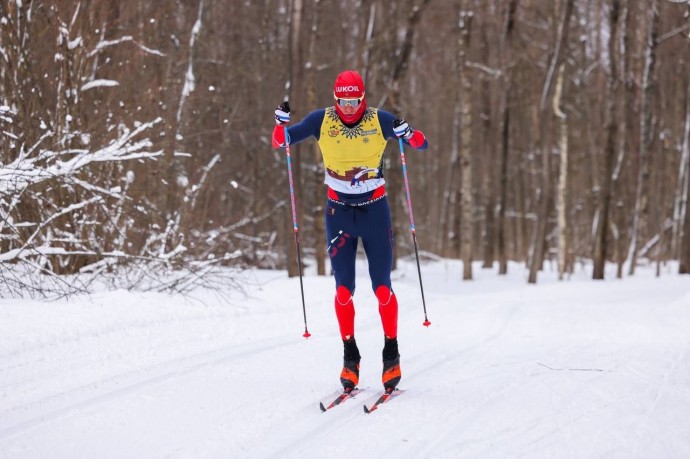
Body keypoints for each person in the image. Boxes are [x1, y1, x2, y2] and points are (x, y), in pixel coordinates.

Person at [272, 70, 428, 393]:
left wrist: (408, 131)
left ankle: (391, 352)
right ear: (335, 98)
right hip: (338, 212)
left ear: (363, 98)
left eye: (353, 100)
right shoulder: (322, 120)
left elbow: (421, 144)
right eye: (341, 100)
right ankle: (350, 355)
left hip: (375, 211)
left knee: (382, 288)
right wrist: (280, 124)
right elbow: (281, 142)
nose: (347, 107)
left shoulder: (378, 120)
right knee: (343, 290)